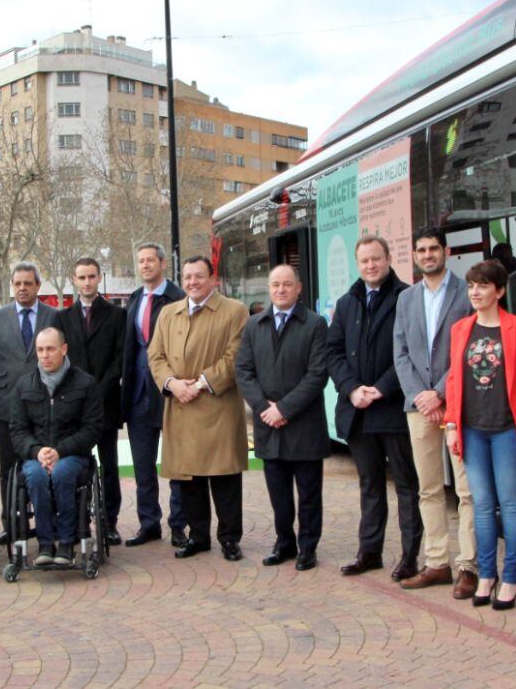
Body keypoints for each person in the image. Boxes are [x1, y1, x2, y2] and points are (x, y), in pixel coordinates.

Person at [327, 236, 422, 581]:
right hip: (358, 410)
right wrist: (352, 389)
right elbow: (333, 352)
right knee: (369, 485)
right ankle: (369, 552)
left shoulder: (407, 297)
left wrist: (381, 388)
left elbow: (412, 352)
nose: (370, 265)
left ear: (388, 258)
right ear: (358, 264)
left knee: (407, 486)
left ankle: (409, 557)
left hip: (394, 409)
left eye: (376, 259)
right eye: (364, 260)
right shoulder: (347, 302)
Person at [443, 260, 516, 610]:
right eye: (471, 286)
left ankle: (511, 577)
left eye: (482, 285)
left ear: (499, 290)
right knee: (480, 505)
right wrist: (452, 425)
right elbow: (454, 380)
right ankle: (486, 574)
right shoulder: (461, 329)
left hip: (508, 429)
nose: (475, 292)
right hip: (472, 429)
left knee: (510, 505)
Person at [393, 227, 477, 598]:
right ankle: (438, 562)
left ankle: (469, 566)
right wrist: (420, 396)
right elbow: (400, 353)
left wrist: (439, 393)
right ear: (414, 255)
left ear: (446, 251)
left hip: (458, 403)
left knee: (467, 490)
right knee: (428, 488)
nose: (427, 255)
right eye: (421, 250)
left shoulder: (465, 292)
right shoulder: (406, 298)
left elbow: (471, 347)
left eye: (433, 249)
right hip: (418, 408)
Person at [149, 256, 249, 561]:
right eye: (188, 276)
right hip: (180, 406)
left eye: (199, 276)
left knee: (224, 477)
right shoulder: (169, 313)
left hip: (218, 407)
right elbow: (156, 355)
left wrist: (201, 384)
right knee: (189, 478)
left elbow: (235, 357)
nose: (192, 282)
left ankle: (229, 539)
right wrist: (172, 384)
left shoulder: (234, 311)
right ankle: (198, 536)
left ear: (213, 279)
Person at [235, 264, 329, 570]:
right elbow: (243, 371)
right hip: (269, 426)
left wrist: (284, 409)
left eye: (287, 284)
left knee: (309, 494)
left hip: (304, 426)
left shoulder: (315, 324)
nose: (280, 289)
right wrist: (264, 408)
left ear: (298, 288)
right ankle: (284, 543)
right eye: (275, 284)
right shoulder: (254, 325)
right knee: (279, 494)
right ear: (269, 288)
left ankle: (308, 547)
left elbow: (317, 374)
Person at [0, 262, 57, 542]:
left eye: (28, 283)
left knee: (45, 462)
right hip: (6, 405)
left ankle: (50, 519)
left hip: (45, 403)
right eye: (17, 284)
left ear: (38, 286)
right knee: (8, 467)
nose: (22, 288)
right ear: (12, 286)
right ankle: (12, 522)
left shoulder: (53, 316)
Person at [10, 328, 103, 565]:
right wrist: (37, 451)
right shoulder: (24, 385)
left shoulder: (85, 383)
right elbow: (18, 430)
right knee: (36, 477)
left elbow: (92, 428)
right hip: (36, 456)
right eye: (40, 350)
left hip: (73, 455)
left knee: (62, 473)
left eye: (50, 349)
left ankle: (66, 543)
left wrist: (60, 451)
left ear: (63, 349)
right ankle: (45, 544)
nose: (45, 355)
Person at [54, 258, 126, 546]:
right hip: (72, 405)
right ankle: (76, 520)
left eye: (92, 277)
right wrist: (78, 391)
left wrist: (98, 389)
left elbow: (120, 358)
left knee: (109, 465)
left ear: (99, 277)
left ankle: (109, 522)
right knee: (72, 463)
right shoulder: (62, 318)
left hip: (106, 402)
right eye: (82, 277)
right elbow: (60, 359)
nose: (87, 282)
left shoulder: (117, 315)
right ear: (74, 279)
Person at [121, 243, 187, 548]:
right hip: (137, 395)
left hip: (170, 394)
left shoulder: (178, 298)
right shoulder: (134, 299)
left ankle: (179, 525)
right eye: (141, 261)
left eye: (150, 260)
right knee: (142, 467)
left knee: (177, 465)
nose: (145, 265)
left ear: (162, 263)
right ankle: (149, 524)